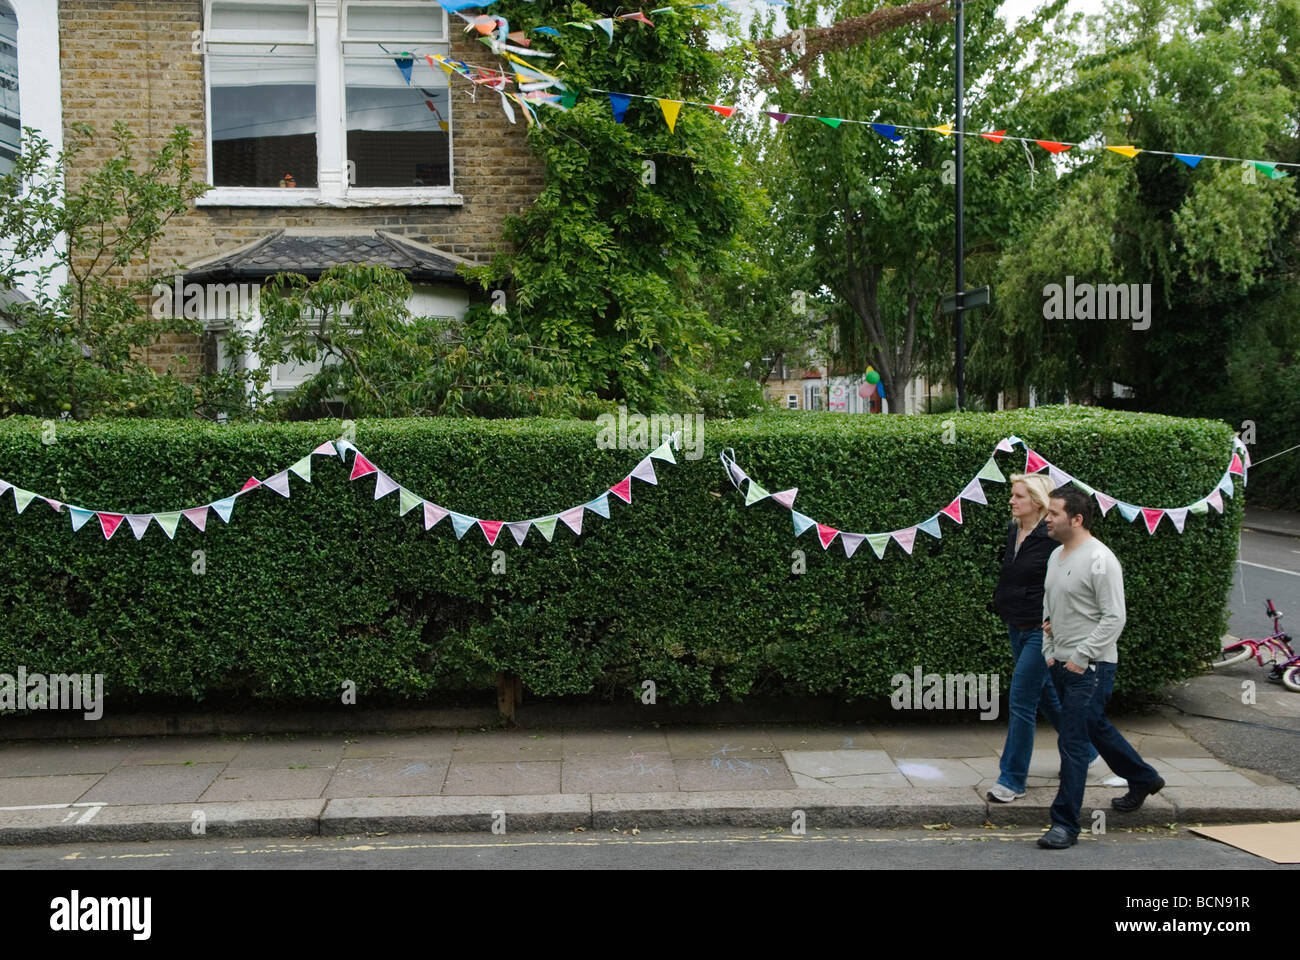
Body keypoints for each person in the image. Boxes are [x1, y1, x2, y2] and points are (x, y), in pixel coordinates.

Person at [1036, 485, 1165, 850]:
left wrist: (1081, 657)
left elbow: (1114, 618)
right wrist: (1050, 650)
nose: (1047, 518)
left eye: (1054, 513)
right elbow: (1050, 610)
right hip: (1061, 663)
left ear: (1076, 519)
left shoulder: (1100, 560)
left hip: (1091, 669)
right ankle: (1143, 778)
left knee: (1073, 741)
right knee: (1095, 728)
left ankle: (1065, 824)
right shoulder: (1056, 556)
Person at [986, 473, 1077, 803]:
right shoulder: (1015, 529)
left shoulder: (1053, 537)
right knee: (1045, 695)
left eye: (1018, 496)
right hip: (1016, 623)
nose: (1011, 501)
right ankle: (1084, 750)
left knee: (1021, 699)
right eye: (1012, 495)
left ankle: (1012, 779)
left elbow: (1068, 582)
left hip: (1043, 631)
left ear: (1037, 503)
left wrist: (1056, 620)